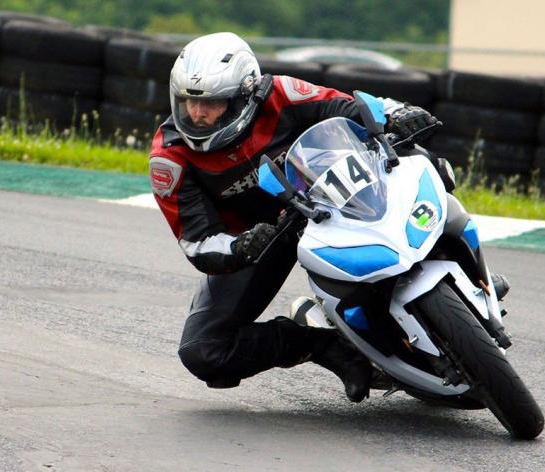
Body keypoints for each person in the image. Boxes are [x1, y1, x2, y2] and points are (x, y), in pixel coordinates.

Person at [149, 32, 493, 403]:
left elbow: (345, 107)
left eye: (212, 103)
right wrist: (242, 245)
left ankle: (465, 262)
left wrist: (398, 114)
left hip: (334, 196)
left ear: (244, 96)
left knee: (420, 158)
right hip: (262, 238)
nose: (197, 114)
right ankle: (325, 344)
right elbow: (198, 240)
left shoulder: (282, 93)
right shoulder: (170, 158)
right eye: (187, 102)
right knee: (204, 351)